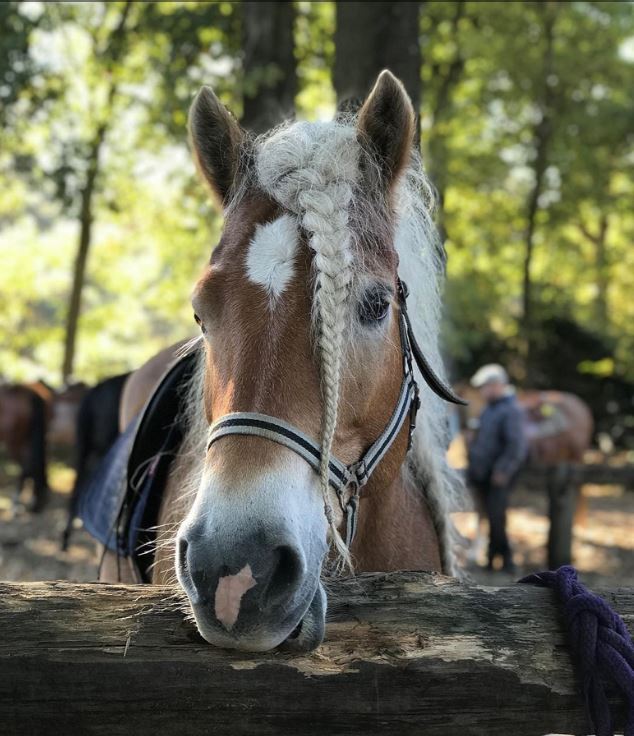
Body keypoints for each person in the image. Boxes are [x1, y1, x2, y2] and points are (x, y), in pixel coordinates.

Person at [467, 364, 527, 573]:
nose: (482, 391)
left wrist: (503, 470)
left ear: (496, 385)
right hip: (484, 474)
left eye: (485, 387)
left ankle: (507, 561)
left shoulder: (510, 410)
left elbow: (517, 446)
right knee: (493, 517)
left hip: (497, 475)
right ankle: (494, 559)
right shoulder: (489, 409)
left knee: (496, 517)